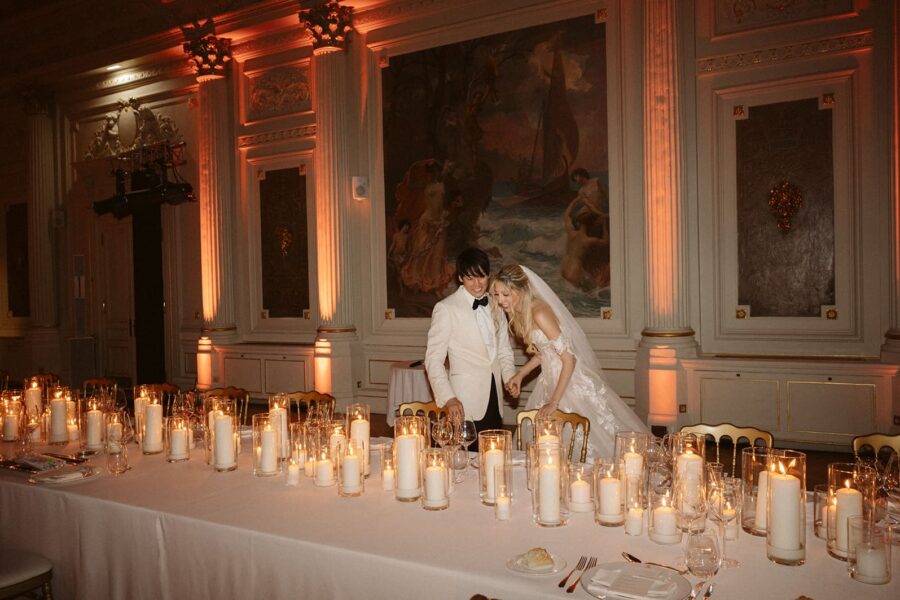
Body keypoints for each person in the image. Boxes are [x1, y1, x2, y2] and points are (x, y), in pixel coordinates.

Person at [492, 264, 648, 459]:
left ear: (521, 290)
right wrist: (520, 375)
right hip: (549, 380)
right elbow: (545, 352)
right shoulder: (524, 311)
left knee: (591, 441)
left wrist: (554, 402)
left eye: (505, 294)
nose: (500, 301)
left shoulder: (539, 312)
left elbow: (569, 358)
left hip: (569, 382)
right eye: (497, 295)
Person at [424, 248, 516, 433]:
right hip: (462, 401)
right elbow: (433, 360)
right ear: (460, 278)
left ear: (488, 275)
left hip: (494, 398)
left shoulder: (496, 304)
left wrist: (509, 378)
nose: (477, 284)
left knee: (492, 450)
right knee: (464, 451)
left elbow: (504, 350)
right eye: (470, 278)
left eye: (481, 277)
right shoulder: (446, 308)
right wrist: (449, 398)